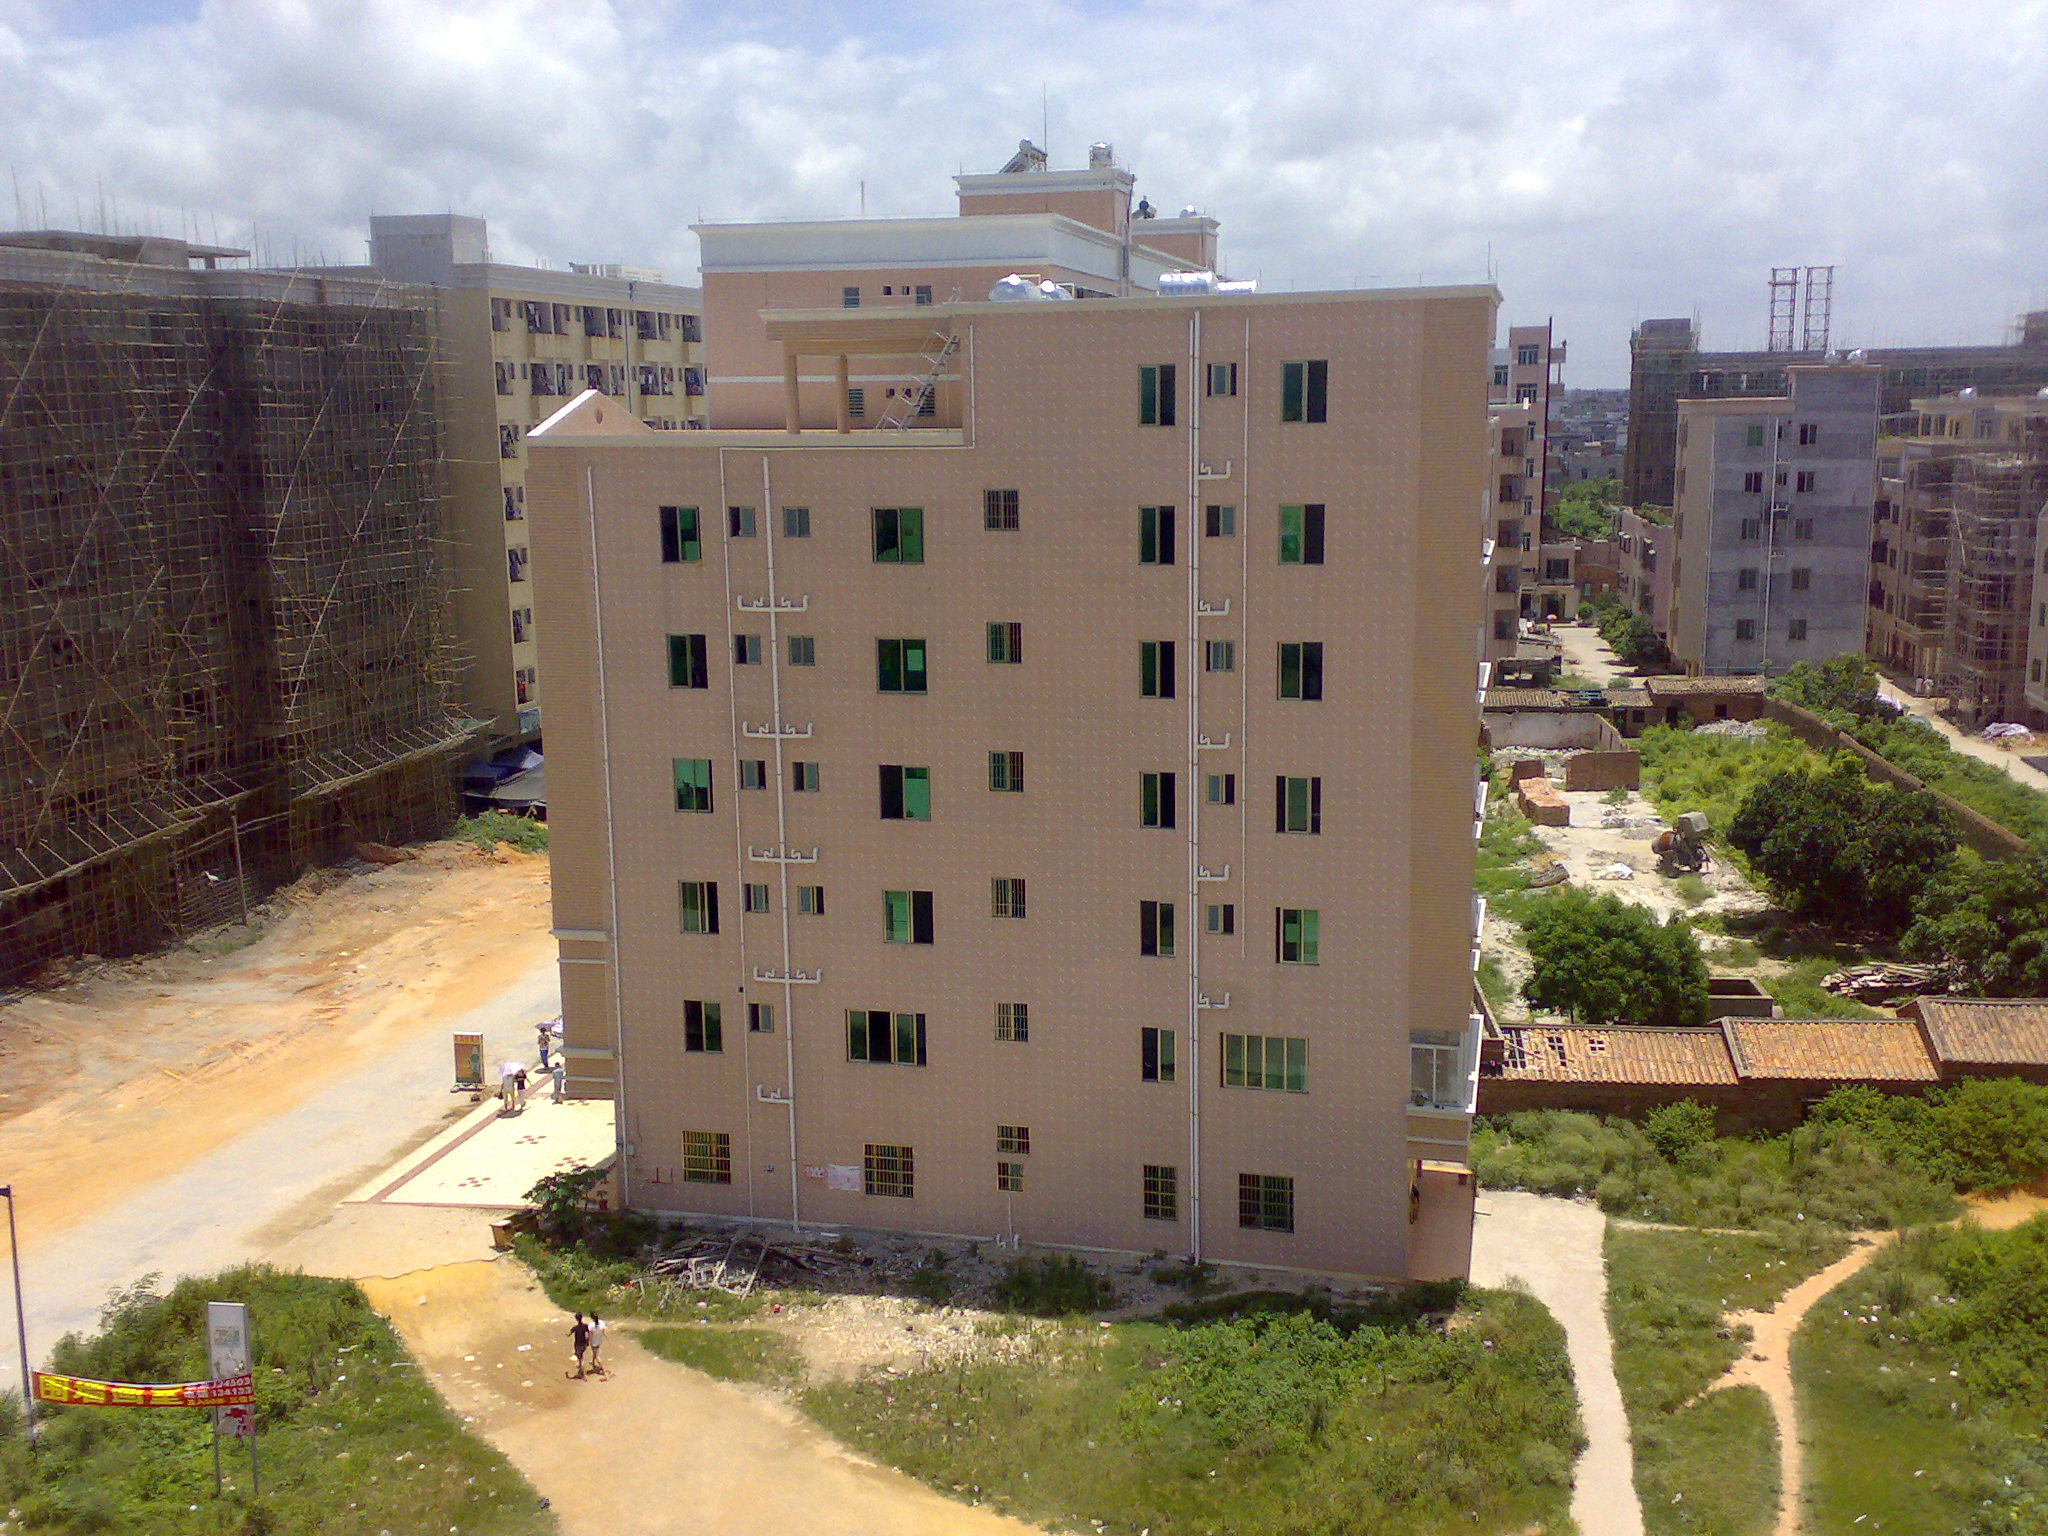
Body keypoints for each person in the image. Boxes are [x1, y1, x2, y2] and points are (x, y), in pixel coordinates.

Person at [570, 1312, 590, 1379]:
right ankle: (580, 1369)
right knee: (580, 1356)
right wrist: (587, 1340)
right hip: (584, 1344)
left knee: (580, 1358)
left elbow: (569, 1334)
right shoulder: (586, 1326)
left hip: (578, 1344)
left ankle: (583, 1374)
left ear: (576, 1319)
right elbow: (588, 1334)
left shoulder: (575, 1328)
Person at [587, 1312, 605, 1376]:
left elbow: (590, 1334)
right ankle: (592, 1362)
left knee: (597, 1355)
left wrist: (589, 1341)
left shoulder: (591, 1325)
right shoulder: (602, 1322)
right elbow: (603, 1331)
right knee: (595, 1352)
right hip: (599, 1340)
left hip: (594, 1342)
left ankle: (602, 1368)